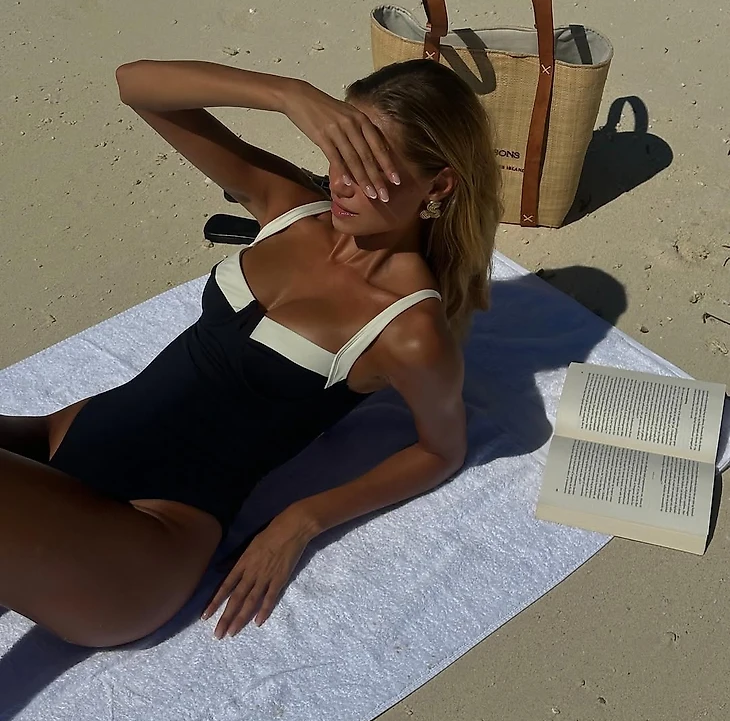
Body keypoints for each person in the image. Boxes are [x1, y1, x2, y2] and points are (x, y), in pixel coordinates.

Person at [0, 58, 502, 647]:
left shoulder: (407, 328)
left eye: (370, 166)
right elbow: (134, 85)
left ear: (437, 186)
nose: (342, 182)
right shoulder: (292, 205)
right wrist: (286, 94)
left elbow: (441, 449)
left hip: (142, 538)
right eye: (340, 151)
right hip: (62, 443)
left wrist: (303, 520)